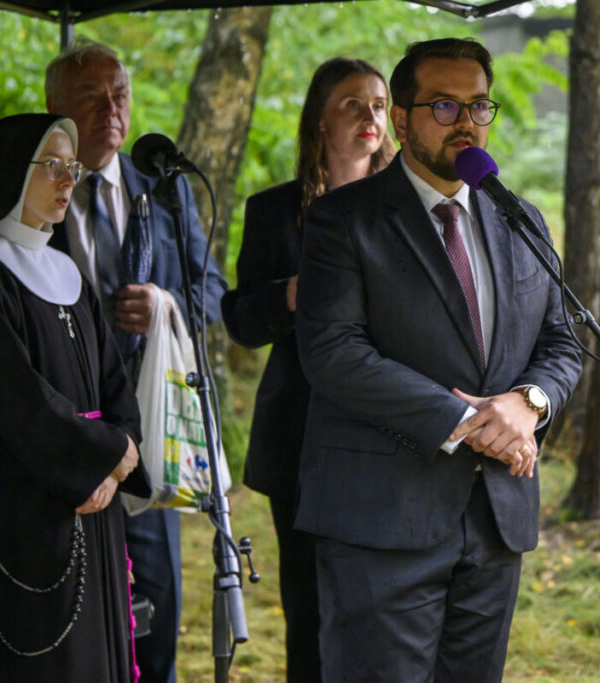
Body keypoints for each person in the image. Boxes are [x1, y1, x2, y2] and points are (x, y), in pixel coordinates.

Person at [293, 38, 583, 681]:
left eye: (479, 107)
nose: (468, 123)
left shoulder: (522, 219)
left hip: (495, 520)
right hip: (381, 520)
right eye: (445, 107)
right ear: (401, 120)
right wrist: (469, 422)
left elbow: (563, 343)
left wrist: (527, 404)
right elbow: (333, 352)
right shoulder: (343, 219)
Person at [44, 39, 227, 683]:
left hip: (147, 442)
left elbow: (213, 294)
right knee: (71, 618)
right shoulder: (33, 194)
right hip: (61, 435)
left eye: (119, 94)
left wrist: (167, 305)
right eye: (91, 97)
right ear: (55, 107)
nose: (110, 110)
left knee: (160, 607)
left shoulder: (165, 193)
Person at [0, 113, 150, 680]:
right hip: (26, 499)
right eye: (51, 166)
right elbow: (14, 398)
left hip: (94, 498)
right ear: (13, 171)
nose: (67, 181)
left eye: (72, 168)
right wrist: (102, 455)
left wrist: (121, 446)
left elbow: (115, 381)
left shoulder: (67, 268)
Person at [221, 56, 394, 682]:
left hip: (390, 436)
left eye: (378, 104)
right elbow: (240, 319)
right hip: (301, 438)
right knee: (309, 608)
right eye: (352, 103)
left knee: (380, 607)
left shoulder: (406, 206)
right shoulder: (274, 210)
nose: (369, 115)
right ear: (319, 119)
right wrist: (291, 294)